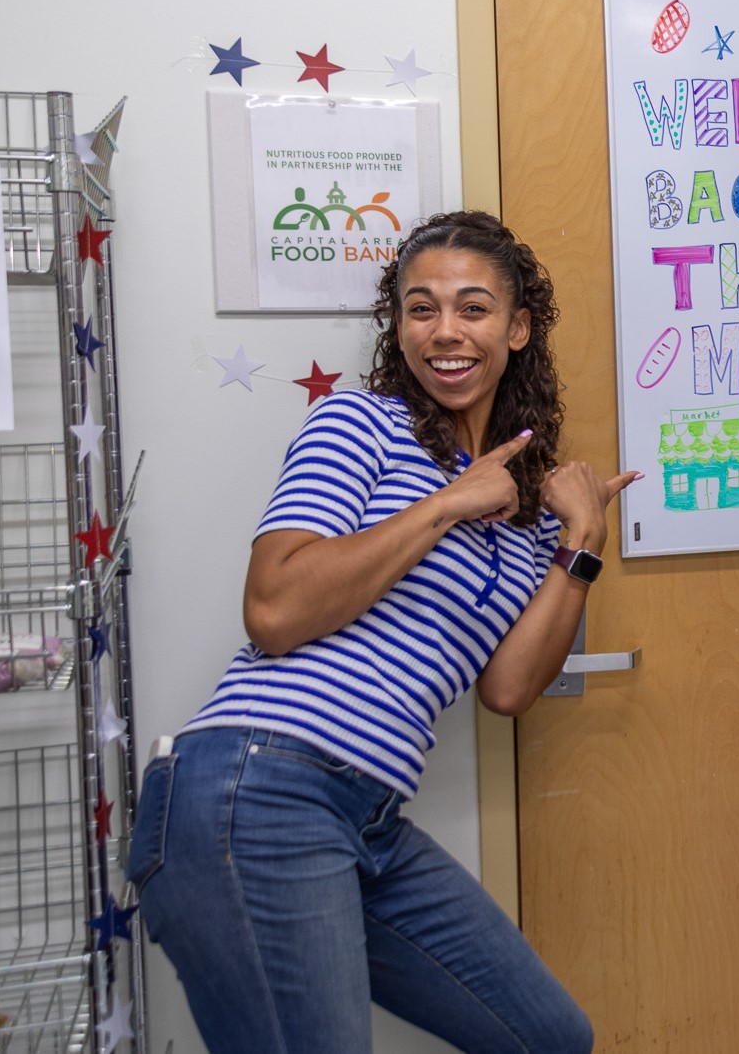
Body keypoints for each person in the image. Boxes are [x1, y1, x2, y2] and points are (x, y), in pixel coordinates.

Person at [127, 211, 636, 1053]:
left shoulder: (528, 511)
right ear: (396, 324)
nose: (444, 332)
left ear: (517, 328)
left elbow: (508, 689)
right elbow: (276, 611)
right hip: (255, 788)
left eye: (473, 309)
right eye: (419, 307)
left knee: (548, 1035)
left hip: (365, 815)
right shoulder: (359, 425)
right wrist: (443, 505)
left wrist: (579, 546)